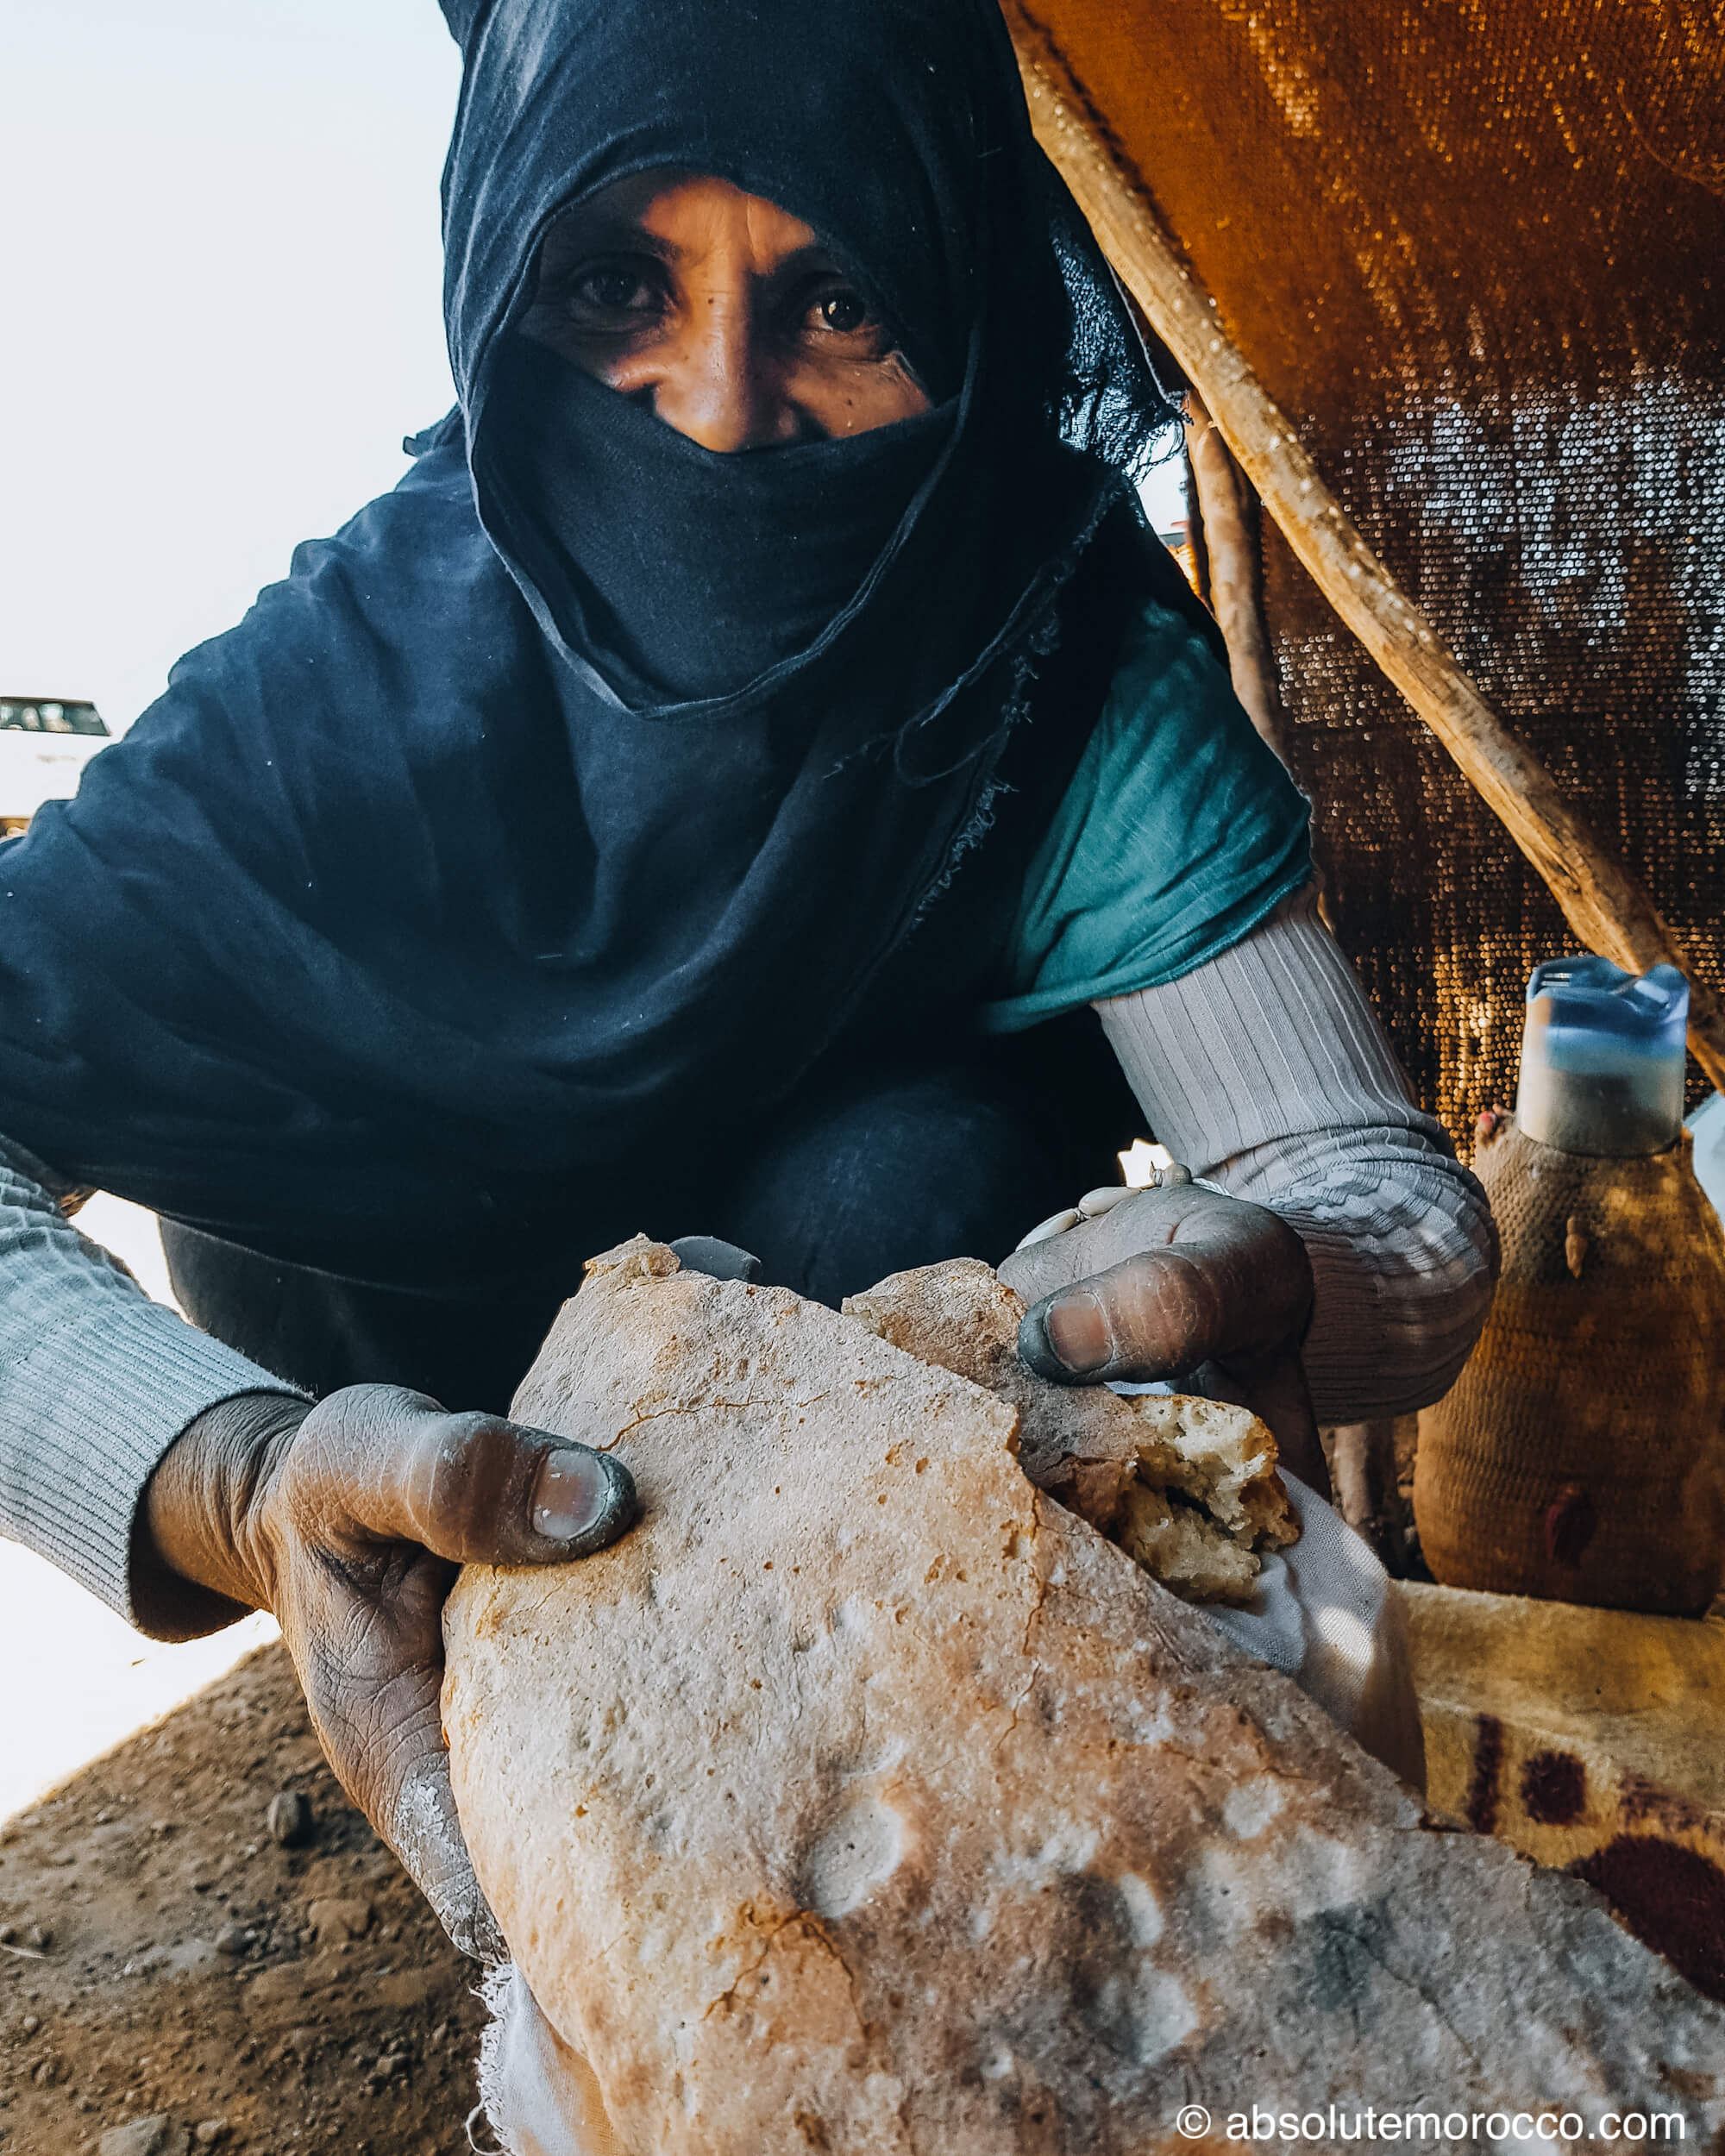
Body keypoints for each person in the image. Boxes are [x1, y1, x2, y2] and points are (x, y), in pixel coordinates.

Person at [0, 0, 1492, 1967]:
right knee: (283, 1283)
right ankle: (517, 1699)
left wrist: (1282, 1262)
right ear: (499, 275)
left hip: (878, 1365)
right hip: (416, 1341)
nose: (717, 405)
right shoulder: (342, 679)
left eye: (840, 299)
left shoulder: (1048, 657)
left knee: (896, 1172)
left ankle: (867, 1771)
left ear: (966, 314)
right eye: (619, 278)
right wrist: (248, 1477)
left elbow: (1368, 1183)